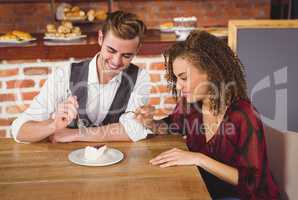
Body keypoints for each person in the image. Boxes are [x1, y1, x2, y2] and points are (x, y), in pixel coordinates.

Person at [135, 31, 280, 199]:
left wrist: (198, 159)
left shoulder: (243, 115)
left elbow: (252, 182)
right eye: (176, 79)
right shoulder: (191, 105)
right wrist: (150, 123)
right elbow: (172, 126)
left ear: (211, 72)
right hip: (208, 192)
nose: (179, 86)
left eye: (184, 77)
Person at [12, 10, 152, 143]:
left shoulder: (139, 77)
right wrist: (53, 126)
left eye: (126, 56)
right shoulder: (65, 75)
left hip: (118, 162)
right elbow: (19, 130)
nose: (116, 61)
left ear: (137, 50)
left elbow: (135, 129)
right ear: (100, 38)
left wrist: (73, 134)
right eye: (111, 50)